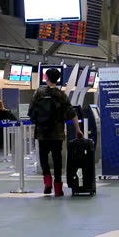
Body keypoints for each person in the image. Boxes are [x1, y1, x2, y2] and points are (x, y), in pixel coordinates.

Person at [28, 68, 82, 197]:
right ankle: (58, 188)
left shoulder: (39, 92)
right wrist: (78, 129)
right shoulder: (60, 94)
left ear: (46, 77)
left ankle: (47, 181)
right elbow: (71, 112)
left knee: (43, 157)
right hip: (57, 132)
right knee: (57, 159)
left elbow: (31, 111)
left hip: (42, 132)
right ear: (58, 79)